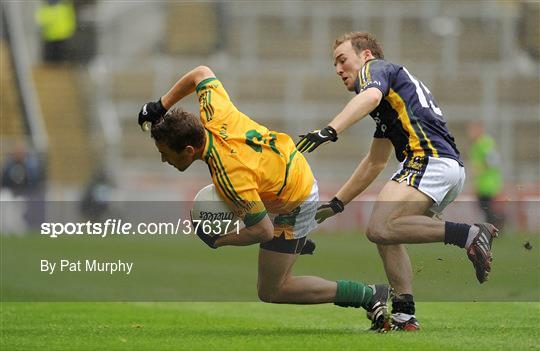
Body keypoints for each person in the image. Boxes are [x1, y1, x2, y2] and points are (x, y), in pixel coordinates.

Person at [138, 65, 390, 331]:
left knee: (273, 290)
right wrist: (160, 105)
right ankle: (297, 244)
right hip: (289, 168)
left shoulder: (230, 177)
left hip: (295, 201)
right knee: (260, 223)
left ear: (189, 150)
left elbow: (262, 230)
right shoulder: (215, 113)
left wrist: (218, 240)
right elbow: (201, 72)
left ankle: (368, 294)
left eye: (165, 153)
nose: (164, 159)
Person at [296, 32, 499, 331]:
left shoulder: (375, 70)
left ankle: (469, 235)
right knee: (386, 234)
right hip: (445, 166)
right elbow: (375, 161)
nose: (338, 69)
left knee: (378, 227)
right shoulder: (390, 100)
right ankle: (404, 315)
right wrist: (337, 203)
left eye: (342, 60)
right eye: (334, 64)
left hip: (427, 159)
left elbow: (371, 96)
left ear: (365, 55)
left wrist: (330, 129)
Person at [468, 122, 504, 229]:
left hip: (488, 182)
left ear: (479, 130)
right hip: (483, 182)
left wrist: (480, 168)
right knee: (485, 207)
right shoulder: (478, 144)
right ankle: (495, 224)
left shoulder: (484, 143)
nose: (470, 133)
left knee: (486, 206)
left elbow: (493, 160)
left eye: (473, 130)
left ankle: (497, 224)